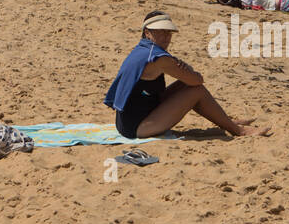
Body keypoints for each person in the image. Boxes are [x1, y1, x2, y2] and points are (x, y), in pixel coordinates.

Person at [104, 10, 269, 139]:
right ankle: (238, 130)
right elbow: (197, 80)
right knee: (196, 90)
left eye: (168, 32)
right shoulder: (159, 58)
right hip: (136, 127)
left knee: (185, 85)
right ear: (147, 32)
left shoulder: (144, 49)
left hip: (128, 120)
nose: (166, 36)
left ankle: (226, 121)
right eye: (160, 31)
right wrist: (188, 68)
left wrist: (183, 68)